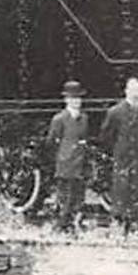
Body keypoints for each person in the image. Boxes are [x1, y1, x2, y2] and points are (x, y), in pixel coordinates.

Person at [100, 76, 138, 236]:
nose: (136, 94)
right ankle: (123, 232)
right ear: (126, 91)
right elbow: (106, 138)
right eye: (132, 90)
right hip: (124, 161)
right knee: (123, 199)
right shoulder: (115, 112)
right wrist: (120, 151)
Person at [45, 80, 89, 232]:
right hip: (65, 163)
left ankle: (74, 225)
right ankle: (61, 227)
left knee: (78, 197)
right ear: (67, 100)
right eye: (73, 98)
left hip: (80, 163)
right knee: (65, 197)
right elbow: (51, 142)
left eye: (78, 98)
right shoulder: (59, 119)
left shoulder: (84, 118)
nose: (77, 101)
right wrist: (61, 156)